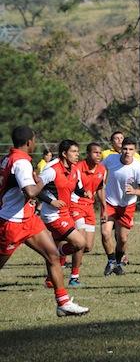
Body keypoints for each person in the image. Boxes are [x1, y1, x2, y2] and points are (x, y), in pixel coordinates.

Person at [0, 126, 88, 316]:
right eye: (35, 140)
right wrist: (38, 180)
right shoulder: (21, 162)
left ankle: (63, 303)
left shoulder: (8, 157)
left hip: (29, 218)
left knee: (53, 255)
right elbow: (31, 191)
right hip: (12, 222)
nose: (36, 143)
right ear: (29, 142)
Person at [38, 139, 90, 288]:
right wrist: (51, 201)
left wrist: (84, 192)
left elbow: (77, 188)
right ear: (64, 153)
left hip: (65, 213)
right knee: (80, 243)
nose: (77, 155)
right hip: (53, 215)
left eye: (77, 152)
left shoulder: (75, 170)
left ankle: (50, 280)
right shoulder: (52, 169)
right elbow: (34, 189)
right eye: (73, 152)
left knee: (58, 247)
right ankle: (61, 255)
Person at [101, 137, 140, 275]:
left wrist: (134, 191)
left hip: (127, 206)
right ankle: (111, 261)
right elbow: (99, 171)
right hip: (109, 202)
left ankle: (116, 262)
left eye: (131, 149)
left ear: (135, 151)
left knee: (122, 239)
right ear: (121, 149)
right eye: (125, 149)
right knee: (105, 233)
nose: (127, 152)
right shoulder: (111, 159)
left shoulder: (139, 166)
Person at [69, 142, 107, 286]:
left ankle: (60, 250)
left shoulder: (102, 169)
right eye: (95, 152)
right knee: (81, 242)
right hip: (75, 205)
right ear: (88, 154)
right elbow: (70, 186)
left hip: (89, 208)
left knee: (88, 247)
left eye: (100, 152)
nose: (99, 155)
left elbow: (100, 189)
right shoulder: (77, 168)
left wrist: (104, 206)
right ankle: (74, 277)